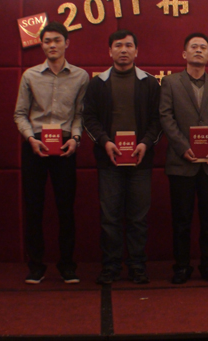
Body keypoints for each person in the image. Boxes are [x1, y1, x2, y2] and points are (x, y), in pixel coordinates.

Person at [83, 30, 161, 285]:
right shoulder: (98, 84)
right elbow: (89, 118)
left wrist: (145, 144)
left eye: (129, 45)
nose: (124, 50)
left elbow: (157, 121)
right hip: (109, 162)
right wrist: (105, 142)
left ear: (137, 51)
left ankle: (137, 266)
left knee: (138, 218)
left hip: (141, 162)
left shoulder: (150, 83)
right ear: (110, 51)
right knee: (110, 218)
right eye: (118, 45)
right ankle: (111, 267)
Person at [14, 21, 89, 284]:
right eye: (47, 41)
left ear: (67, 43)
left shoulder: (81, 76)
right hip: (35, 145)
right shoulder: (30, 75)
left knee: (66, 208)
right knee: (33, 207)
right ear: (42, 44)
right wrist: (30, 139)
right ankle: (36, 265)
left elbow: (80, 115)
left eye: (57, 40)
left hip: (66, 146)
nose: (52, 45)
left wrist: (76, 139)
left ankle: (67, 265)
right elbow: (20, 114)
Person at [159, 32, 208, 284]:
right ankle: (181, 266)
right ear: (184, 53)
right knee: (181, 220)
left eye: (203, 47)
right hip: (182, 162)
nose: (198, 50)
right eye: (194, 47)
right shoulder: (170, 82)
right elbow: (166, 116)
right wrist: (182, 147)